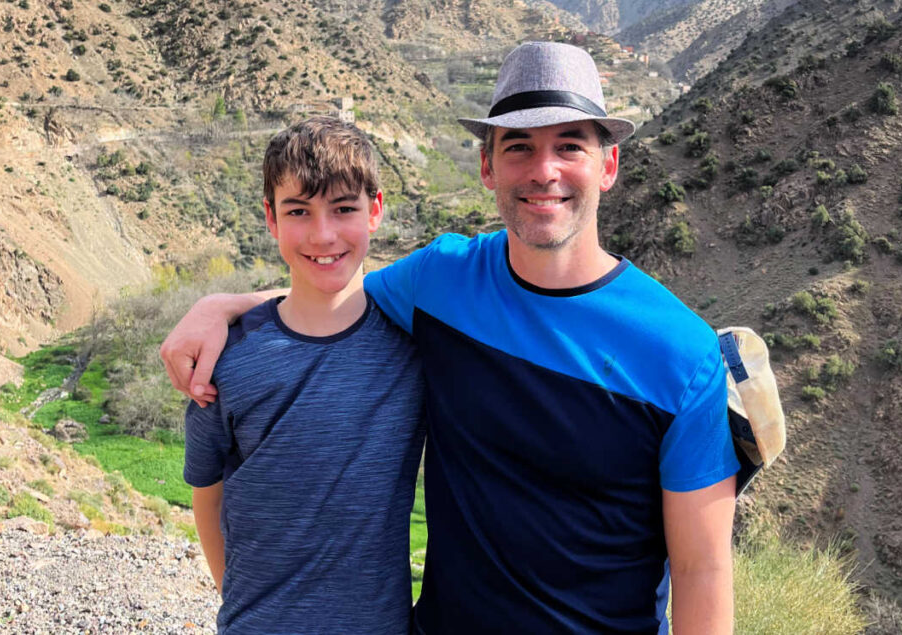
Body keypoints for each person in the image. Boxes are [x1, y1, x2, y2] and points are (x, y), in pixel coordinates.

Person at [165, 43, 738, 634]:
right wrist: (219, 307)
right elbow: (331, 291)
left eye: (570, 145)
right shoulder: (442, 281)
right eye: (519, 147)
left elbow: (703, 571)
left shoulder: (681, 354)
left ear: (608, 165)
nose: (544, 171)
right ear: (488, 166)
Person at [182, 117, 425, 635]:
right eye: (299, 211)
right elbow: (208, 494)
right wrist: (241, 599)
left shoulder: (415, 344)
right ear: (270, 218)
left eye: (344, 209)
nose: (323, 234)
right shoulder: (225, 358)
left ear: (375, 210)